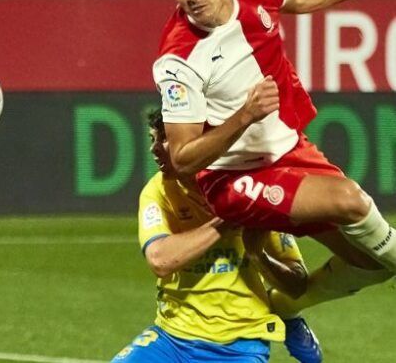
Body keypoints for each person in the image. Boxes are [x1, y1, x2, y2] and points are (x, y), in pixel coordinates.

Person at [151, 0, 395, 316]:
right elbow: (183, 158)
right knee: (349, 200)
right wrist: (244, 116)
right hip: (232, 179)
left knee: (372, 263)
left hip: (288, 149)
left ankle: (284, 305)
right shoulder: (178, 60)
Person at [112, 109, 321, 363]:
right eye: (152, 139)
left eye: (164, 139)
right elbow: (159, 260)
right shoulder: (157, 191)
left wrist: (258, 254)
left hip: (239, 345)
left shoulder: (251, 188)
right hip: (172, 337)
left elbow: (297, 283)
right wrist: (227, 219)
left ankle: (288, 317)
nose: (154, 149)